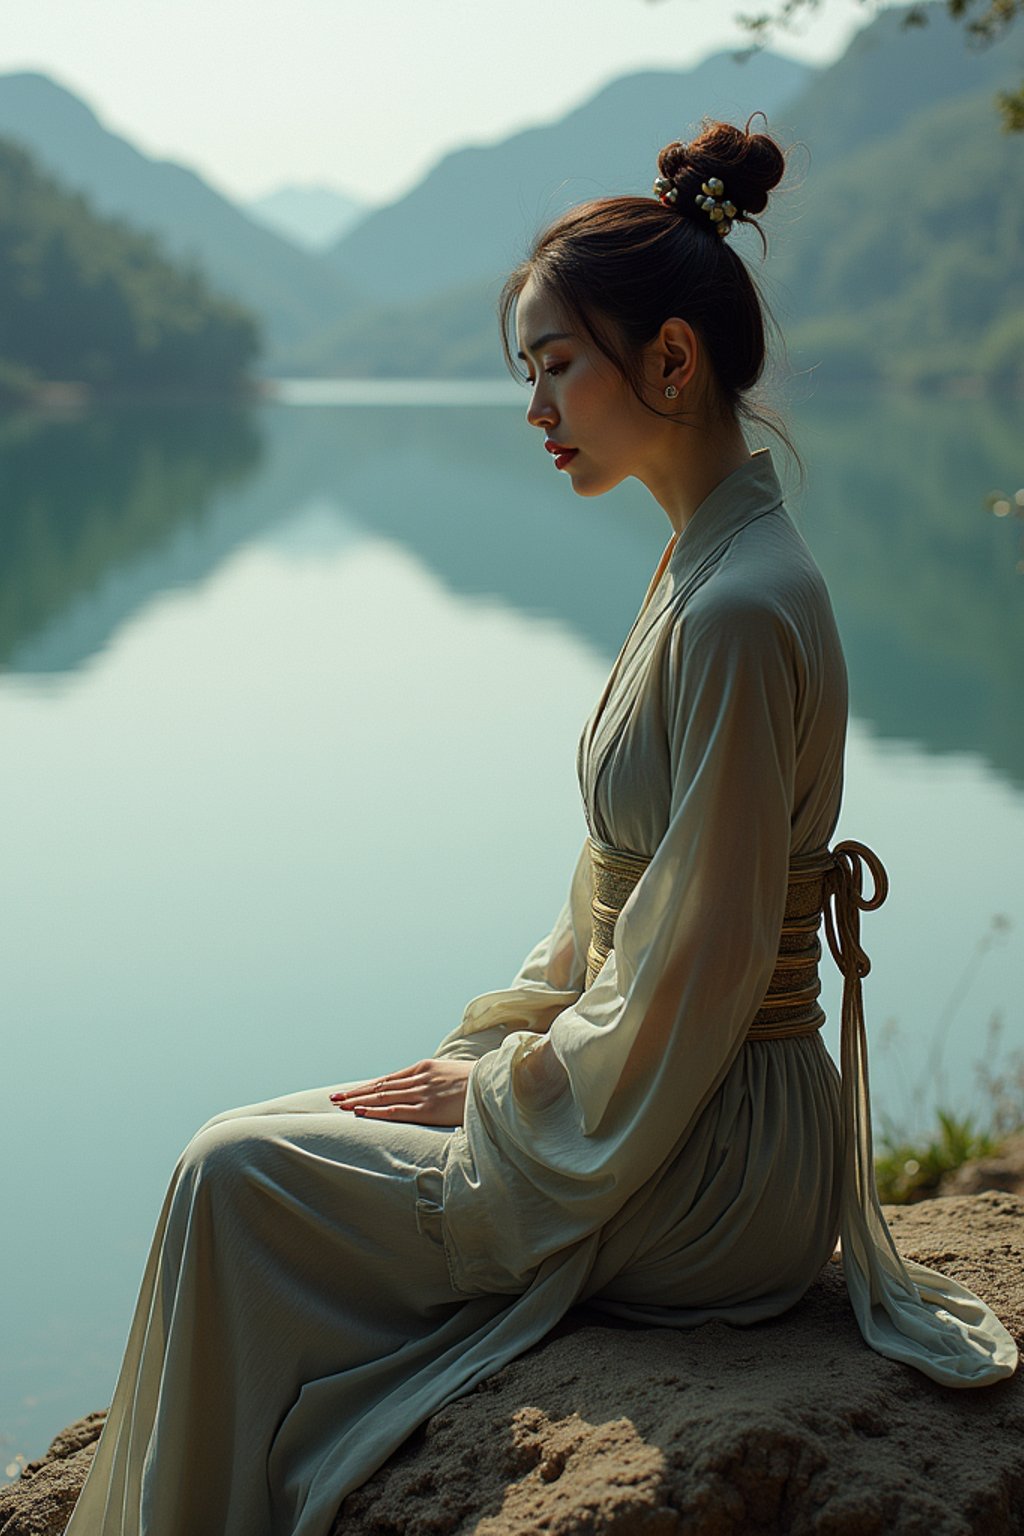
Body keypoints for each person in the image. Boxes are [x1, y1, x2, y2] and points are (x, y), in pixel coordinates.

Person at [64, 119, 1017, 1536]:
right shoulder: (702, 570)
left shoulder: (743, 607)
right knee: (266, 1141)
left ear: (672, 360)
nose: (536, 409)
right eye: (529, 371)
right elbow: (613, 907)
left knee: (230, 1174)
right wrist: (497, 1039)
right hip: (666, 1089)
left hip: (716, 1146)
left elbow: (693, 965)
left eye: (555, 363)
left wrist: (516, 1093)